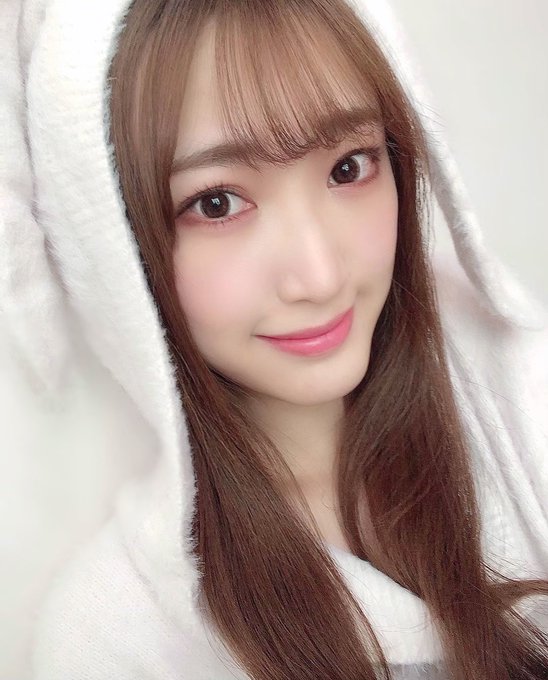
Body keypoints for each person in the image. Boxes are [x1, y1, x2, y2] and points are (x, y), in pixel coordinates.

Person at [1, 0, 547, 678]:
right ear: (114, 249)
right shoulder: (121, 636)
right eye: (217, 203)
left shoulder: (526, 405)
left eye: (349, 167)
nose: (319, 277)